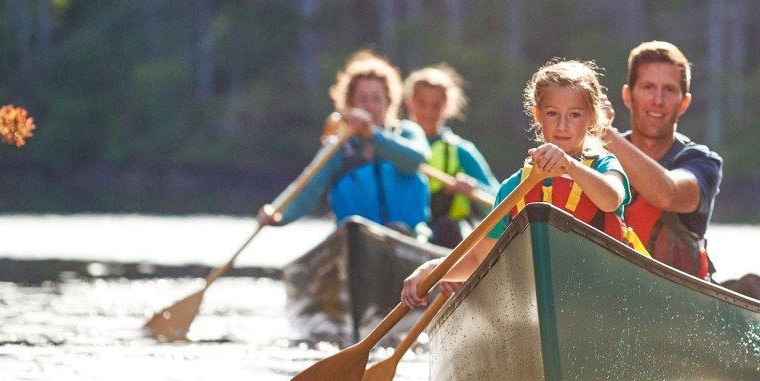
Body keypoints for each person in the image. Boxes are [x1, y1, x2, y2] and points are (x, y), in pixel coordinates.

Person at [400, 59, 642, 307]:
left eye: (574, 115)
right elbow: (477, 259)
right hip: (544, 302)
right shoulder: (514, 188)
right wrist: (432, 269)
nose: (562, 125)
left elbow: (611, 200)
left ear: (591, 117)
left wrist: (570, 165)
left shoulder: (604, 166)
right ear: (538, 115)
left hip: (602, 296)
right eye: (552, 114)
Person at [258, 50, 431, 234]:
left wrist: (372, 135)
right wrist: (278, 213)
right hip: (356, 237)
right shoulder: (338, 147)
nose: (369, 106)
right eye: (362, 99)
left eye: (376, 99)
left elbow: (415, 160)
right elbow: (308, 189)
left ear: (388, 102)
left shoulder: (407, 132)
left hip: (409, 235)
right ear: (350, 103)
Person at [600, 41, 723, 279]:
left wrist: (604, 132)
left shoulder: (703, 162)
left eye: (669, 90)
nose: (657, 100)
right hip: (611, 292)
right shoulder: (599, 155)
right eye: (647, 87)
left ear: (683, 102)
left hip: (680, 302)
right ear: (628, 96)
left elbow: (668, 193)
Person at [403, 64, 500, 248]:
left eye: (435, 106)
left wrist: (473, 188)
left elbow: (497, 197)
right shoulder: (394, 143)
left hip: (444, 235)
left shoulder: (461, 151)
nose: (427, 113)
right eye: (422, 104)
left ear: (446, 107)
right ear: (410, 103)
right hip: (406, 229)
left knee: (447, 228)